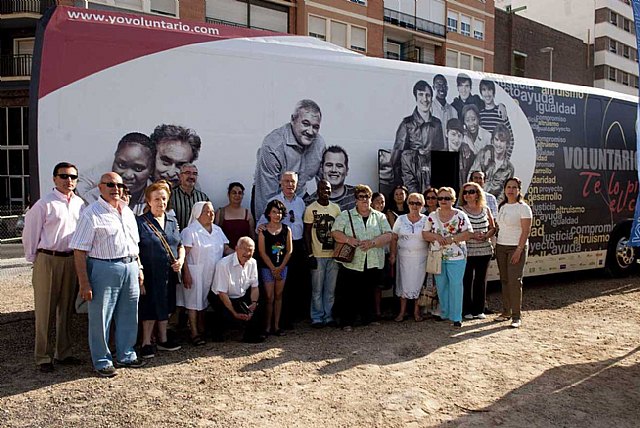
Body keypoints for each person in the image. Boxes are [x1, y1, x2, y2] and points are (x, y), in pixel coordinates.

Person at [71, 172, 145, 377]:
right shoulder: (91, 213)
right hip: (104, 268)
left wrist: (138, 268)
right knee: (101, 317)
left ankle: (126, 354)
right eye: (110, 184)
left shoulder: (127, 212)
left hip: (129, 266)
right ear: (100, 187)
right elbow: (79, 250)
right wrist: (84, 283)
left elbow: (134, 244)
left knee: (129, 314)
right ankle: (102, 360)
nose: (116, 189)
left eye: (120, 185)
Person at [23, 162, 85, 372]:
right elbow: (30, 233)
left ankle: (63, 352)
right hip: (48, 259)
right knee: (45, 310)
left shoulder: (79, 203)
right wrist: (35, 259)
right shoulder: (44, 204)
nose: (69, 181)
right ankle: (43, 356)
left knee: (67, 308)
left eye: (73, 177)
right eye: (64, 176)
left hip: (70, 259)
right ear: (54, 178)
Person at [331, 184, 393, 331]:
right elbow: (335, 232)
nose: (365, 200)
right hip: (352, 262)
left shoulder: (379, 216)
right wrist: (348, 239)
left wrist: (373, 243)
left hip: (373, 261)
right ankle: (347, 321)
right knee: (349, 292)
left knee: (369, 290)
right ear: (356, 200)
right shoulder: (346, 215)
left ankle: (368, 318)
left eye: (367, 196)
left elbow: (389, 235)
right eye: (361, 197)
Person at [253, 99, 326, 219]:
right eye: (305, 123)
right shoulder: (273, 145)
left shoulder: (319, 144)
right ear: (293, 119)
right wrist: (266, 229)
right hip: (271, 196)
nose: (310, 131)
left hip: (299, 197)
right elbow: (265, 197)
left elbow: (324, 184)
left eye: (315, 127)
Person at [136, 181, 185, 358]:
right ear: (149, 201)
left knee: (166, 304)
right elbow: (135, 248)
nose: (160, 202)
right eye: (156, 199)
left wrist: (181, 260)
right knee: (149, 306)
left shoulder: (172, 221)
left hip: (168, 273)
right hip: (149, 272)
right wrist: (139, 271)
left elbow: (180, 245)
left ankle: (163, 339)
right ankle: (146, 342)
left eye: (163, 199)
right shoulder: (140, 222)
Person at [256, 171, 308, 328]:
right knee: (276, 286)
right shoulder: (274, 201)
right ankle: (275, 322)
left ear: (297, 184)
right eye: (286, 181)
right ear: (280, 183)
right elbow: (261, 225)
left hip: (296, 245)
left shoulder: (301, 202)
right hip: (277, 248)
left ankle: (289, 318)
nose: (289, 184)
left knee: (293, 284)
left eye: (292, 182)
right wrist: (262, 227)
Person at [180, 201, 231, 345]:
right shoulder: (190, 231)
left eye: (212, 211)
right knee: (193, 302)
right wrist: (186, 273)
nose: (211, 214)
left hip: (214, 272)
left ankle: (202, 329)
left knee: (205, 301)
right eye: (207, 212)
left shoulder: (217, 230)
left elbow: (226, 249)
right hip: (195, 272)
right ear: (197, 214)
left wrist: (240, 254)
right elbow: (184, 254)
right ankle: (194, 333)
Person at [422, 187, 472, 328]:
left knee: (456, 285)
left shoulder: (460, 215)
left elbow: (468, 233)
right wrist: (437, 236)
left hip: (457, 256)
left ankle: (456, 316)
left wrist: (452, 238)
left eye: (447, 198)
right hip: (438, 256)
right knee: (442, 285)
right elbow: (425, 234)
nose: (443, 201)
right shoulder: (432, 216)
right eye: (440, 198)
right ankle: (445, 312)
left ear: (453, 200)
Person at [77, 132, 155, 215]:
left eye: (138, 168)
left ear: (151, 169)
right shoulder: (91, 199)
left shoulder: (158, 199)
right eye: (121, 165)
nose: (128, 175)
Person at [210, 237, 265, 343]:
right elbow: (222, 293)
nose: (247, 253)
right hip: (221, 297)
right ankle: (217, 332)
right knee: (224, 313)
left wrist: (254, 303)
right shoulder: (223, 264)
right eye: (244, 249)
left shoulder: (253, 262)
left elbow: (254, 287)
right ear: (236, 248)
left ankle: (251, 335)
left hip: (240, 295)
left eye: (251, 250)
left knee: (258, 306)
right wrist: (234, 313)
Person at [392, 80, 445, 189]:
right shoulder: (406, 124)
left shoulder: (437, 124)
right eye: (421, 94)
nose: (424, 99)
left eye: (428, 95)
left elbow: (441, 155)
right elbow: (396, 159)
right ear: (415, 97)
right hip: (411, 181)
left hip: (432, 182)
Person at [495, 177, 532, 329]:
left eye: (514, 187)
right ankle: (506, 311)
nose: (511, 190)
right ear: (504, 189)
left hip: (515, 248)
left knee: (515, 281)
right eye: (508, 187)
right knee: (504, 280)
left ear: (519, 190)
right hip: (501, 246)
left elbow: (526, 231)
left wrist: (519, 250)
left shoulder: (523, 208)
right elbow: (499, 227)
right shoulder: (502, 206)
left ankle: (516, 316)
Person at [304, 179, 341, 327]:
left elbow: (340, 231)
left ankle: (328, 316)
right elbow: (307, 233)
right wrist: (310, 254)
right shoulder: (310, 209)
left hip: (333, 255)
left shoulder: (336, 209)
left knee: (330, 289)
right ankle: (317, 317)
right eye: (322, 189)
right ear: (317, 190)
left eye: (328, 189)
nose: (325, 191)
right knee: (317, 290)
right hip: (318, 255)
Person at [459, 182, 495, 320]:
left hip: (484, 251)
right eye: (465, 192)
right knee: (466, 280)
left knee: (480, 281)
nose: (468, 195)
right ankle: (466, 309)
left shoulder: (486, 209)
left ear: (478, 194)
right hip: (467, 251)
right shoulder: (460, 210)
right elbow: (458, 230)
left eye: (471, 191)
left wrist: (486, 235)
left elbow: (492, 227)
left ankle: (479, 310)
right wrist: (473, 235)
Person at [389, 192, 428, 322]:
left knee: (418, 284)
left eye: (418, 203)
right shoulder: (401, 219)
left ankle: (416, 312)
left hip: (421, 257)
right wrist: (393, 254)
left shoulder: (426, 220)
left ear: (422, 205)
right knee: (403, 284)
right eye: (412, 203)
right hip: (403, 257)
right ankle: (402, 312)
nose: (414, 206)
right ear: (408, 204)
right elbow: (394, 238)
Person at [258, 199, 293, 336]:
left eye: (279, 212)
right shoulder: (263, 230)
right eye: (274, 212)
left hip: (283, 268)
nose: (276, 215)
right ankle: (266, 327)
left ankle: (277, 326)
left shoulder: (286, 230)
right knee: (269, 297)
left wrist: (280, 268)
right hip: (267, 268)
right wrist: (273, 268)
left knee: (279, 296)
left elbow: (289, 251)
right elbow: (262, 252)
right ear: (268, 214)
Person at [469, 124, 516, 198]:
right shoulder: (483, 154)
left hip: (494, 204)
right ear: (492, 140)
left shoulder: (509, 168)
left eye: (502, 141)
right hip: (476, 199)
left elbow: (504, 193)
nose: (498, 144)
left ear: (507, 144)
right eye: (496, 140)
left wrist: (495, 206)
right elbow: (471, 176)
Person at [304, 145, 356, 211]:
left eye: (339, 166)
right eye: (329, 165)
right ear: (321, 169)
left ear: (347, 170)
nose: (334, 170)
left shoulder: (359, 195)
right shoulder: (309, 204)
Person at [169, 163, 210, 231]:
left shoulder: (203, 198)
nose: (191, 176)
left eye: (194, 174)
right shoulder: (171, 196)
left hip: (197, 239)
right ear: (180, 176)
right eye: (188, 173)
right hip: (177, 238)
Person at [216, 182, 256, 249]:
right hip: (225, 254)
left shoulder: (248, 213)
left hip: (244, 254)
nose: (237, 195)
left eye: (240, 193)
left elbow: (252, 237)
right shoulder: (221, 213)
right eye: (234, 192)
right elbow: (216, 236)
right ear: (228, 195)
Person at [371, 192, 389, 319]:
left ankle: (377, 311)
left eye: (382, 202)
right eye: (378, 201)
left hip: (382, 255)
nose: (380, 204)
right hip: (368, 255)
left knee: (378, 286)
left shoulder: (383, 216)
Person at [431, 74, 458, 142]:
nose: (441, 88)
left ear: (447, 88)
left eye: (444, 85)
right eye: (438, 85)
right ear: (433, 87)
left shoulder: (453, 111)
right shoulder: (429, 108)